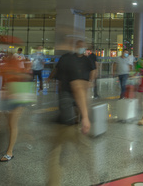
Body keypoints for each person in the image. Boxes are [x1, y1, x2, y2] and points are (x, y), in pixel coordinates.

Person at [47, 39, 97, 185]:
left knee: (56, 151)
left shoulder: (68, 59)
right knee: (80, 146)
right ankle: (94, 177)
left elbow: (62, 82)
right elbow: (77, 88)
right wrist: (85, 118)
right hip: (68, 116)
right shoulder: (71, 61)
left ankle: (53, 182)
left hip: (64, 113)